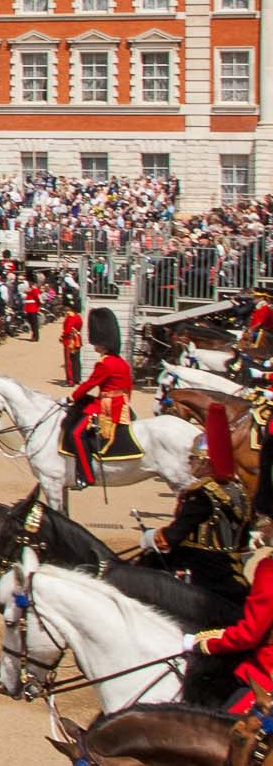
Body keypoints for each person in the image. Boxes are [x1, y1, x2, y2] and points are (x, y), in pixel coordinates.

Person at [142, 405, 250, 604]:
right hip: (233, 574)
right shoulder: (239, 491)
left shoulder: (200, 495)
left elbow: (169, 539)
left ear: (206, 462)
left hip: (201, 575)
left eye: (193, 458)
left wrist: (150, 538)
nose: (189, 462)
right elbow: (243, 545)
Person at [187, 535, 273, 714]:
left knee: (223, 733)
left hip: (266, 676)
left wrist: (203, 643)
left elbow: (249, 634)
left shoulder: (269, 570)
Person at [63, 306, 132, 491]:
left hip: (108, 407)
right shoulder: (121, 362)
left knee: (76, 434)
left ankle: (86, 476)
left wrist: (72, 396)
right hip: (120, 403)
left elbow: (89, 385)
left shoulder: (105, 363)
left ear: (102, 342)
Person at [59, 301, 84, 387]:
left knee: (69, 361)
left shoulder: (70, 316)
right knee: (76, 360)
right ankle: (77, 378)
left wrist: (62, 337)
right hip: (77, 339)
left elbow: (68, 330)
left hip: (70, 341)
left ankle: (70, 380)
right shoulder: (78, 316)